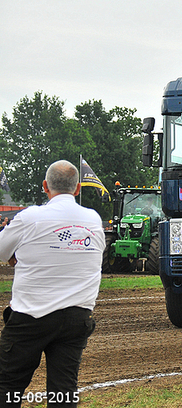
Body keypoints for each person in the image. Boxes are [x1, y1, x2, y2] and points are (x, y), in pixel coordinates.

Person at [0, 160, 106, 407]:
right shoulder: (93, 220)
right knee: (64, 391)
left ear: (45, 186)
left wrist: (18, 256)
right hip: (76, 318)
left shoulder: (30, 217)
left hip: (31, 316)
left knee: (7, 385)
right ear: (77, 188)